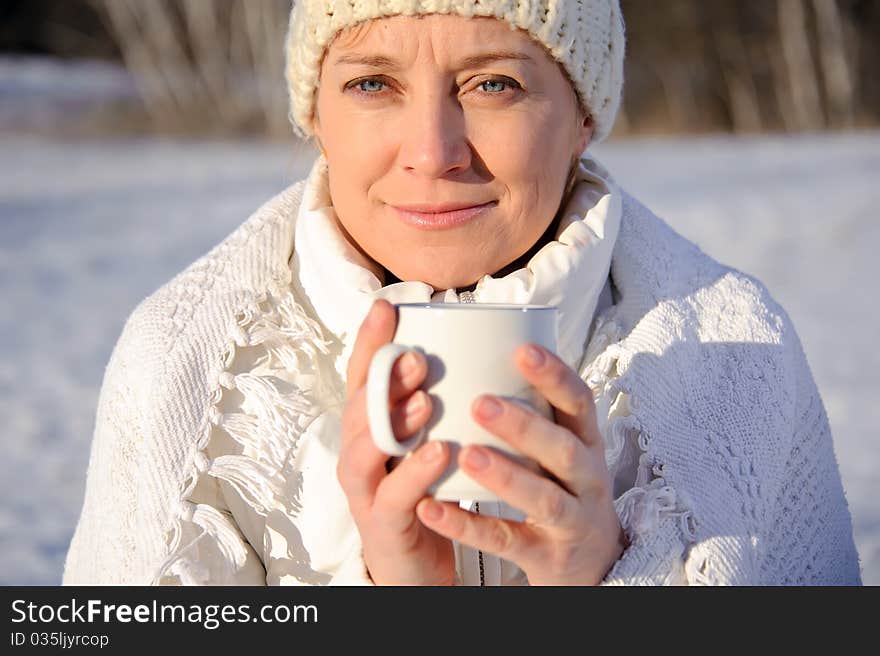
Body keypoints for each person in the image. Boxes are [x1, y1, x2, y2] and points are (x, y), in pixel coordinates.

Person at [63, 0, 862, 585]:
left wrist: (595, 586)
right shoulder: (182, 362)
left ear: (583, 115)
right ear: (315, 115)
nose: (433, 151)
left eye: (493, 86)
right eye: (374, 84)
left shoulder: (736, 352)